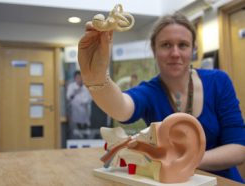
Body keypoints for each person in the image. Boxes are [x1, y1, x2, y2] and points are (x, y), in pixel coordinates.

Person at [78, 12, 245, 183]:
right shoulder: (150, 91)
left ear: (193, 49)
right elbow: (122, 107)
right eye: (166, 45)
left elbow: (239, 148)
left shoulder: (219, 82)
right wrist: (97, 79)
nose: (175, 53)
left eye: (183, 45)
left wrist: (186, 160)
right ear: (154, 49)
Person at [66, 70, 92, 139]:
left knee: (85, 127)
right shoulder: (71, 86)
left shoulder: (86, 87)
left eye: (81, 78)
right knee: (76, 129)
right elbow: (68, 97)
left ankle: (85, 136)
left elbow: (90, 98)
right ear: (75, 78)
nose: (79, 79)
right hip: (75, 110)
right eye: (77, 78)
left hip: (85, 110)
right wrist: (75, 92)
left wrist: (84, 102)